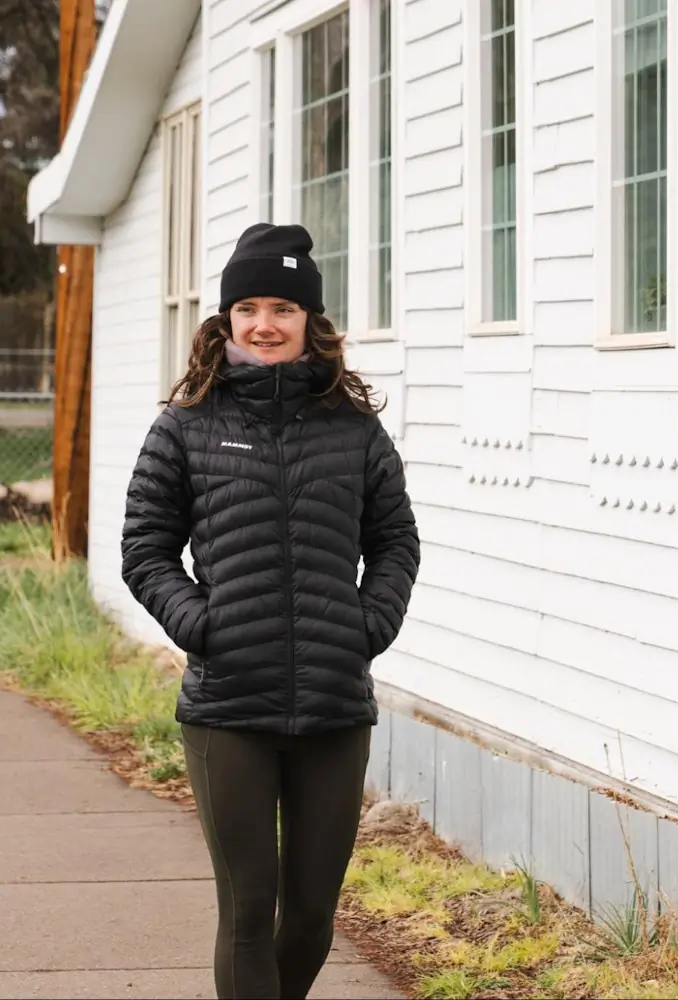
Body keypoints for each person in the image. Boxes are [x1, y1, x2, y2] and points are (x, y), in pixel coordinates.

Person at [120, 222, 421, 1000]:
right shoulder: (186, 428)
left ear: (309, 322)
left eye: (282, 307)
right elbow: (146, 550)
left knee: (312, 915)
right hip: (228, 707)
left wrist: (367, 628)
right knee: (249, 912)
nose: (264, 322)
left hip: (332, 702)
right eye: (247, 306)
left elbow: (394, 541)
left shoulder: (355, 433)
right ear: (224, 323)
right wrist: (201, 625)